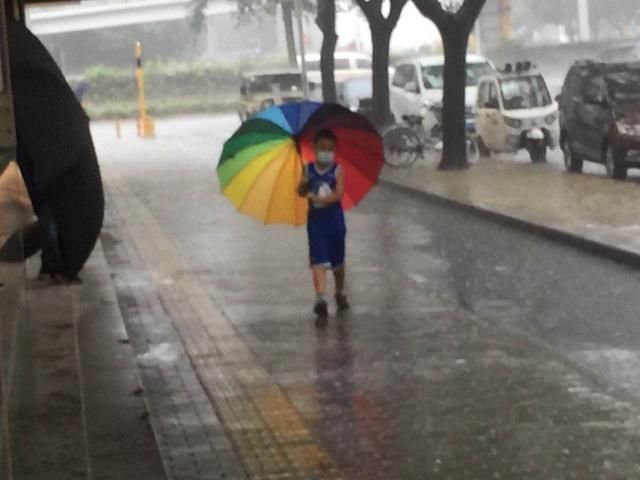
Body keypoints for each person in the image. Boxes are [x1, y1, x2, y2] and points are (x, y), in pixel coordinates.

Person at [298, 129, 350, 319]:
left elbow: (338, 195)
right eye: (322, 148)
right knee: (318, 260)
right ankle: (320, 297)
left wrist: (318, 196)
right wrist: (304, 184)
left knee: (337, 260)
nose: (326, 152)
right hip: (316, 221)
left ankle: (340, 290)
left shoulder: (338, 170)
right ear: (314, 148)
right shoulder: (308, 169)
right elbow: (300, 191)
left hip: (334, 220)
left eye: (331, 149)